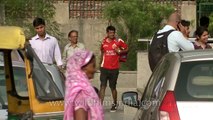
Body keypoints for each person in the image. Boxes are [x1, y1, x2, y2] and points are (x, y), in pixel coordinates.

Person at [64, 50, 104, 120]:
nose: (95, 70)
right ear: (82, 68)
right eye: (93, 66)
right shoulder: (81, 94)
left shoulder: (83, 90)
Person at [99, 25, 128, 112]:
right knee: (102, 87)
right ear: (107, 33)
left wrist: (120, 51)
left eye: (113, 32)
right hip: (104, 68)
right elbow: (102, 52)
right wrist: (100, 64)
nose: (112, 34)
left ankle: (115, 104)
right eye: (110, 32)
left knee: (113, 87)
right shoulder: (103, 42)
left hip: (114, 69)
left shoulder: (118, 41)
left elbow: (127, 48)